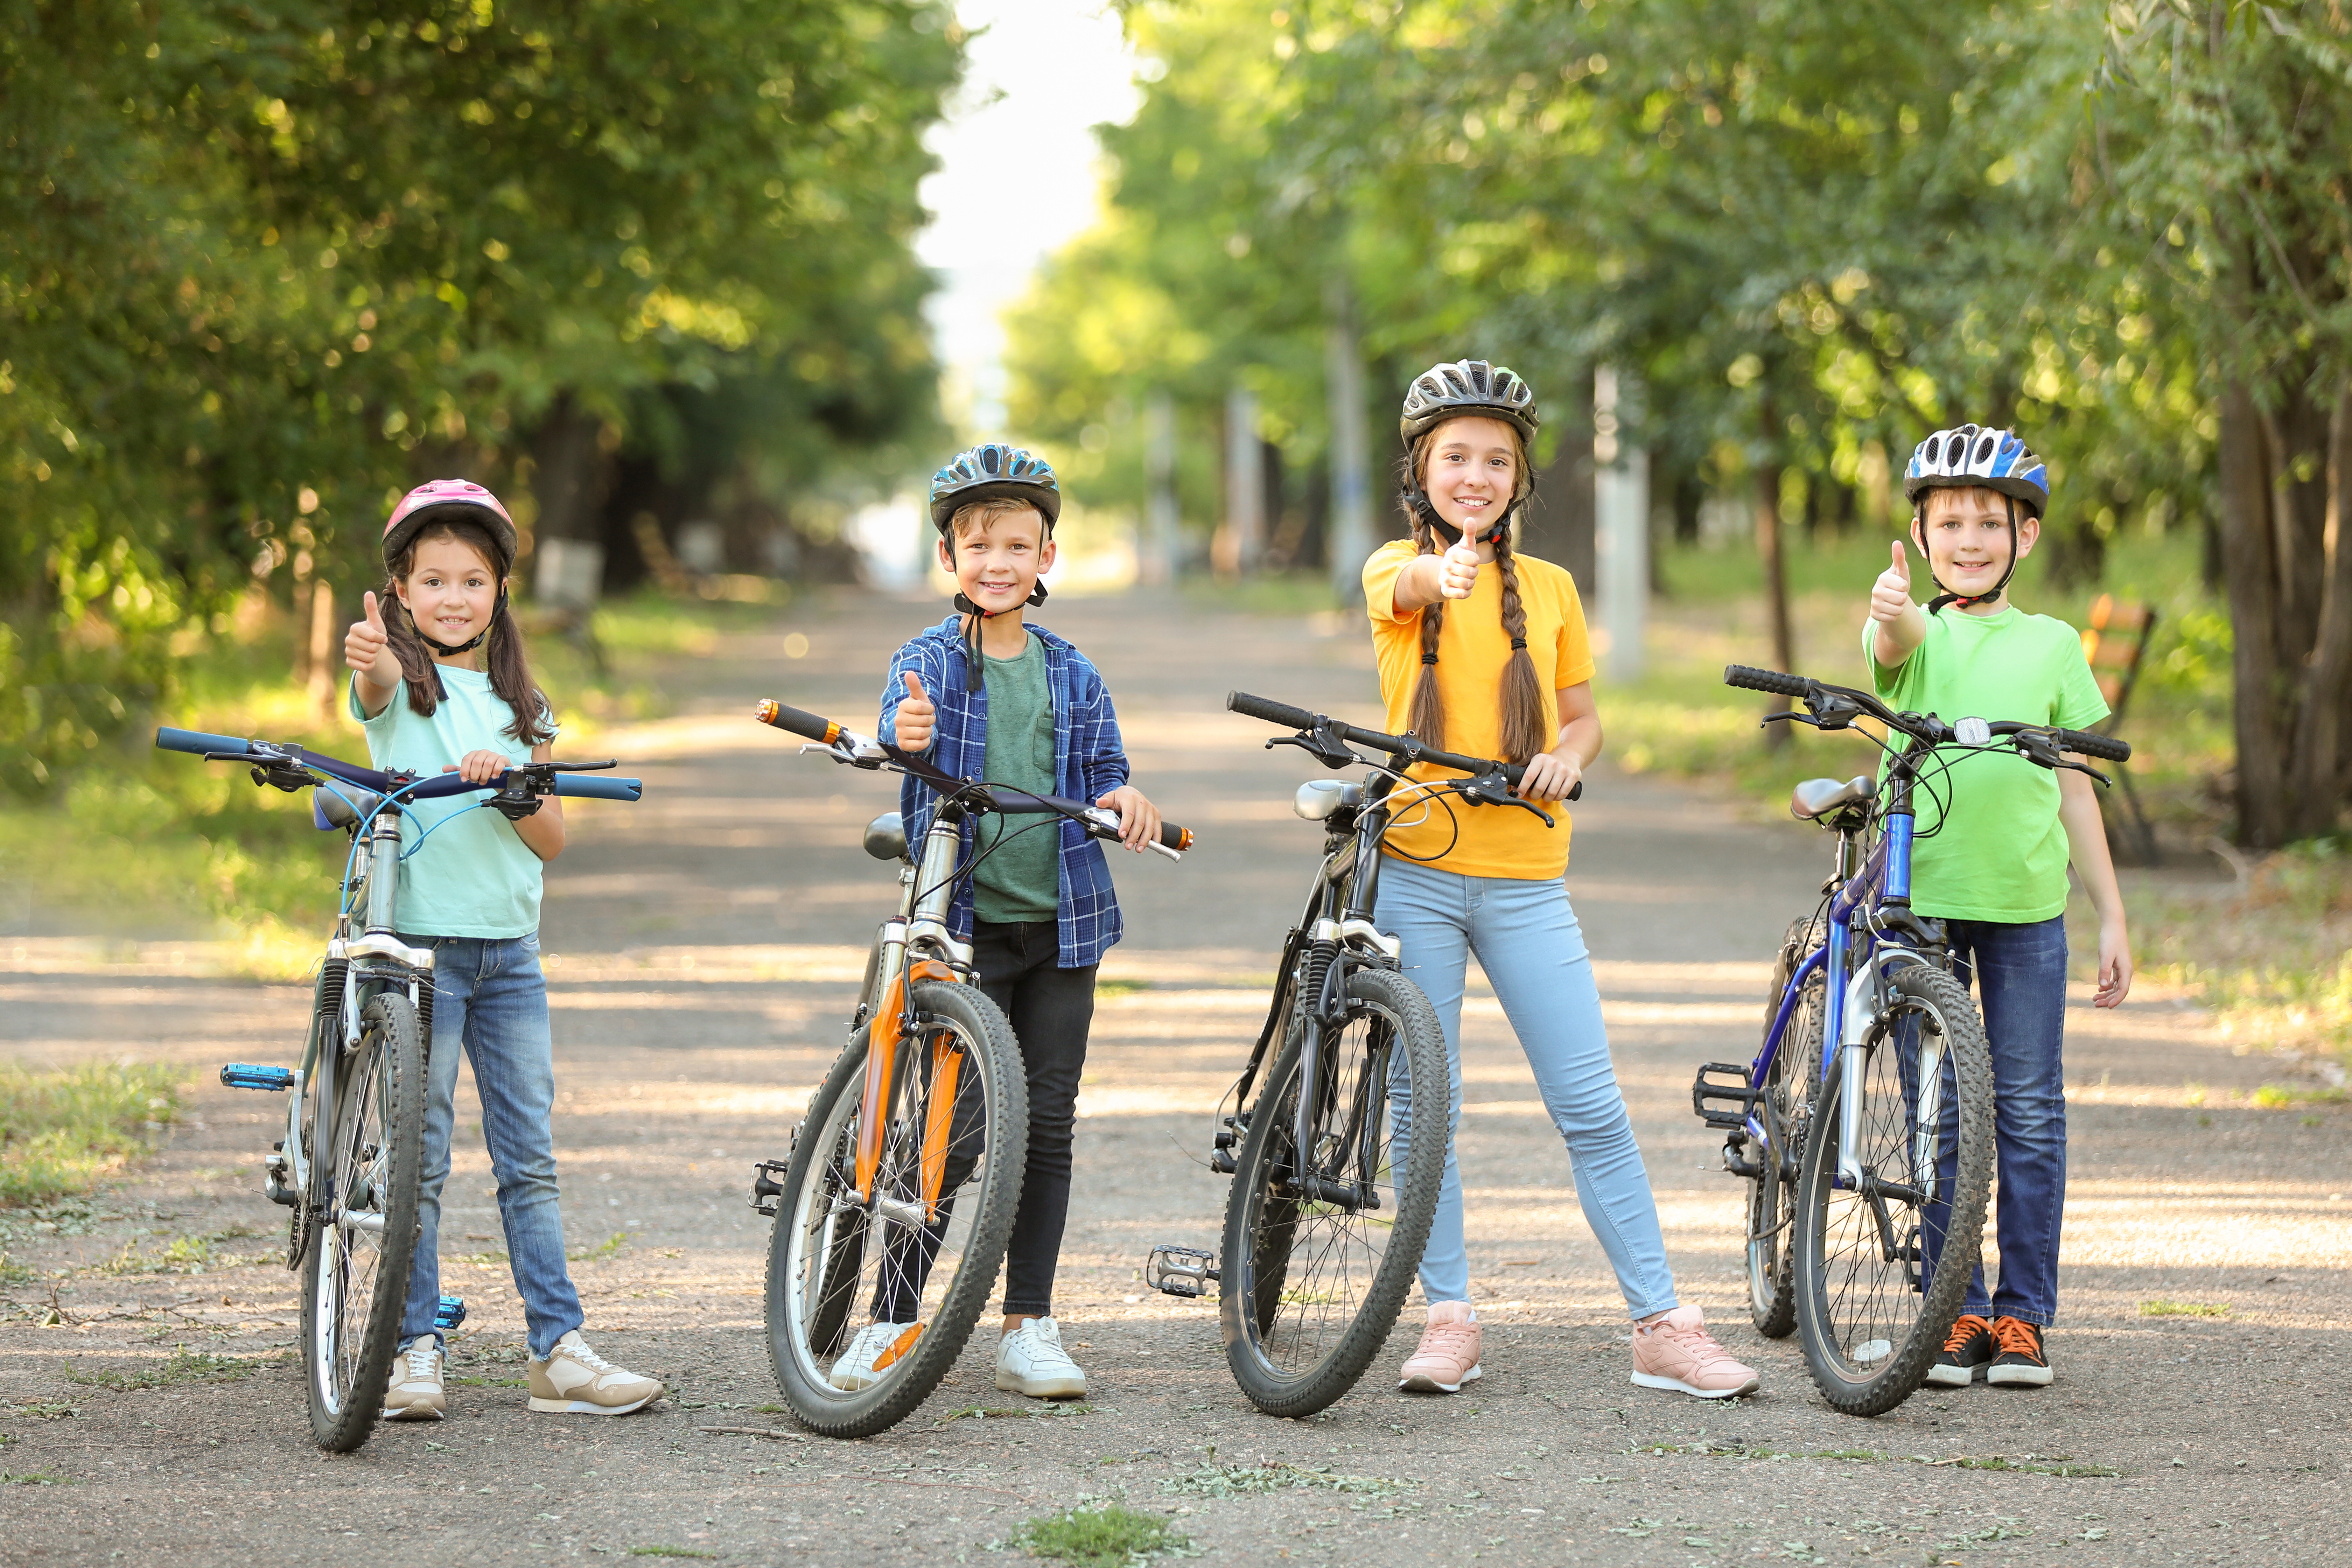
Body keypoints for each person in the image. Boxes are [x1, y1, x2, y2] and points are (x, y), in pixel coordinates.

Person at [1363, 359, 1761, 1401]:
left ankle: (1661, 1325)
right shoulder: (1394, 575)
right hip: (1418, 867)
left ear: (1521, 477)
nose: (1476, 475)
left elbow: (1580, 714)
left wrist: (1572, 756)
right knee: (1423, 1104)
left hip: (1528, 875)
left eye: (1497, 460)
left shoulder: (1552, 590)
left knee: (1590, 1103)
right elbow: (1410, 590)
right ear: (1421, 470)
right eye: (1456, 457)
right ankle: (1447, 1315)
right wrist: (1440, 575)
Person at [843, 443, 1164, 1400]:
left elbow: (1106, 771)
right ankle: (894, 1320)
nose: (998, 562)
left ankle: (1030, 1322)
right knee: (953, 1131)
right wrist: (908, 738)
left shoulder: (1072, 671)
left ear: (1047, 559)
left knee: (1049, 1126)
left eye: (1017, 546)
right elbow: (905, 741)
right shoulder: (926, 660)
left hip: (1063, 928)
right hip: (966, 926)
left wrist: (1127, 797)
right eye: (979, 545)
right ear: (949, 558)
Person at [344, 478, 664, 1421]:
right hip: (422, 956)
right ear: (401, 592)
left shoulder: (524, 704)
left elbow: (553, 839)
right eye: (433, 579)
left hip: (509, 960)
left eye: (472, 581)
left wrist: (514, 787)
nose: (453, 597)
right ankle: (412, 1350)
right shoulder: (398, 690)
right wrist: (368, 660)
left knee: (529, 1159)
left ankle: (556, 1349)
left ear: (498, 595)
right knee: (422, 1159)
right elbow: (368, 691)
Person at [1869, 424, 2133, 1390]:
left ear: (2025, 536)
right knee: (1941, 1114)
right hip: (1922, 907)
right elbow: (1893, 649)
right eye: (1952, 523)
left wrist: (2111, 913)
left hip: (2028, 910)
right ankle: (1956, 1306)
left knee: (2027, 1110)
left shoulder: (2055, 646)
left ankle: (2023, 1316)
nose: (1971, 539)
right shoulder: (1915, 630)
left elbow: (2074, 789)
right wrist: (1892, 608)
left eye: (1992, 522)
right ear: (1922, 534)